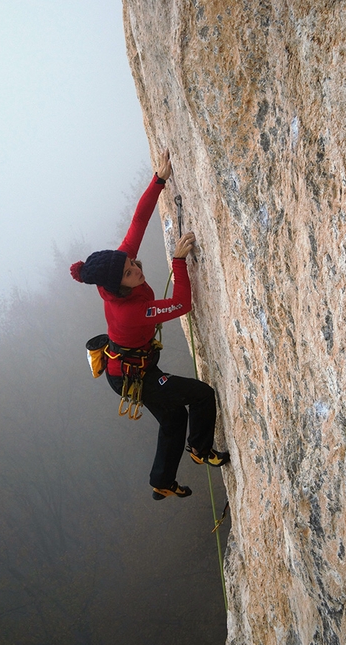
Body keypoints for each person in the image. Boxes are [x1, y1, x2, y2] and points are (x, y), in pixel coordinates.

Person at [70, 150, 229, 500]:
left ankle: (162, 481)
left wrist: (158, 179)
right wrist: (178, 262)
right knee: (202, 395)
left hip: (128, 366)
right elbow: (183, 304)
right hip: (133, 375)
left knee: (173, 421)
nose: (135, 269)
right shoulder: (129, 311)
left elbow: (138, 222)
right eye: (129, 273)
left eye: (131, 263)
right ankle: (201, 450)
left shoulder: (117, 267)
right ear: (116, 286)